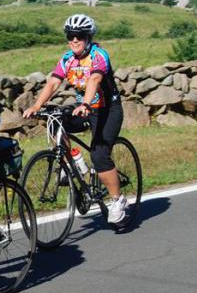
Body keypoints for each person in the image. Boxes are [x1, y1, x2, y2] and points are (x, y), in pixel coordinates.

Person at [21, 14, 129, 226]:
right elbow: (53, 83)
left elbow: (95, 79)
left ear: (88, 37)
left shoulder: (99, 55)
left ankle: (117, 200)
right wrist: (36, 106)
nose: (75, 40)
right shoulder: (67, 59)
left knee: (99, 155)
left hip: (108, 110)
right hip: (85, 109)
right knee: (54, 120)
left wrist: (86, 103)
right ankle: (76, 161)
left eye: (79, 35)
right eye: (71, 36)